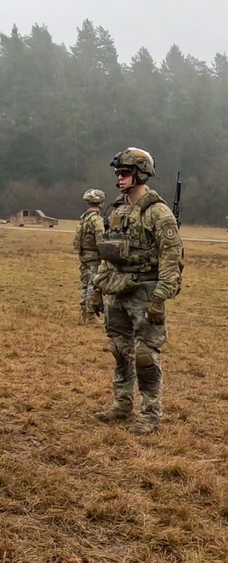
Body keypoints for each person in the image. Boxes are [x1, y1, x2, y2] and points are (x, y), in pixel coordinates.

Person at [90, 148, 183, 435]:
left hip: (146, 291)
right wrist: (97, 287)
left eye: (126, 173)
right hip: (117, 289)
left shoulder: (158, 213)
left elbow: (172, 258)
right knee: (120, 349)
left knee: (145, 355)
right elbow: (108, 253)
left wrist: (160, 297)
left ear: (140, 173)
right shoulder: (117, 210)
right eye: (118, 173)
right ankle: (122, 404)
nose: (120, 178)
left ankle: (150, 412)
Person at [74, 189, 107, 323]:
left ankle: (84, 312)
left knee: (85, 284)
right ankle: (90, 315)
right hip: (94, 256)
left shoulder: (84, 217)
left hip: (84, 255)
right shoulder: (96, 219)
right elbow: (100, 239)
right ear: (101, 202)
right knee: (93, 285)